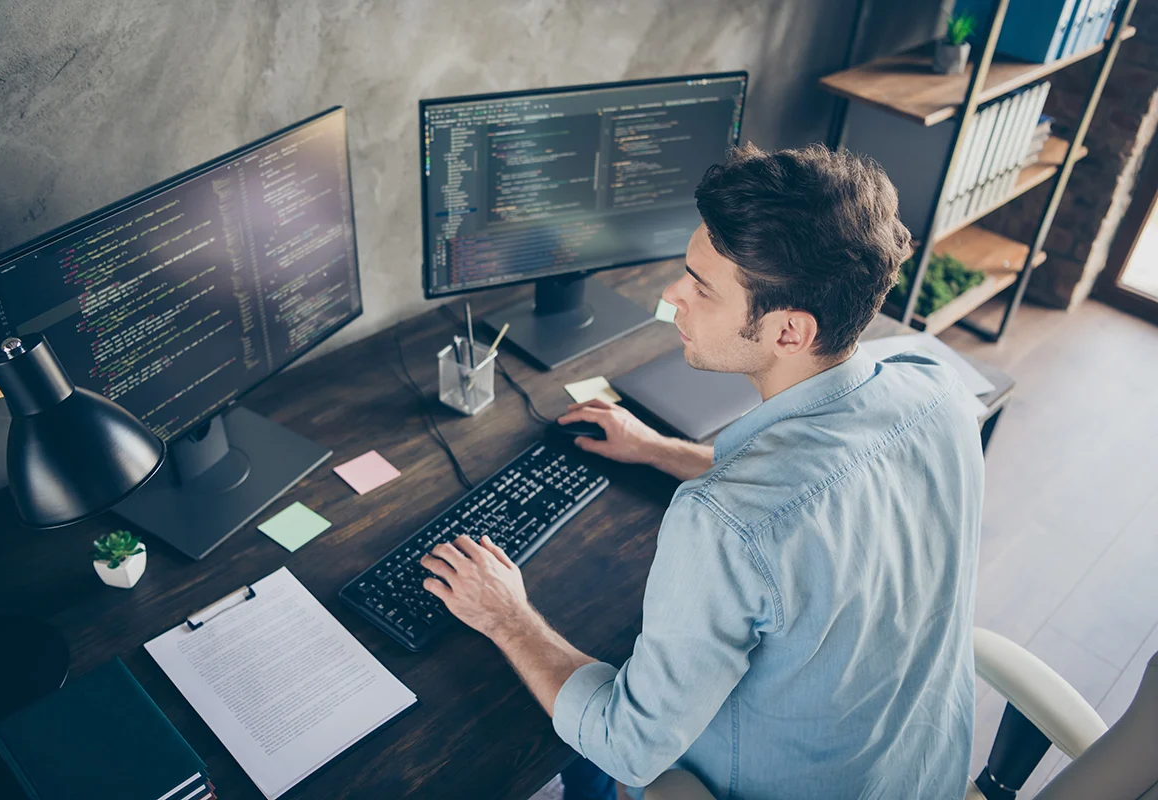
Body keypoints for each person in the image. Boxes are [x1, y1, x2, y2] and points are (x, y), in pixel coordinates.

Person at [419, 144, 984, 800]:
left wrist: (506, 615)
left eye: (701, 287)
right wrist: (661, 449)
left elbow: (627, 742)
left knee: (581, 741)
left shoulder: (721, 523)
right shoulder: (936, 390)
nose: (672, 296)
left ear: (790, 332)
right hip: (921, 774)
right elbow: (829, 487)